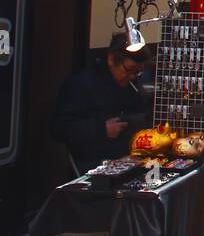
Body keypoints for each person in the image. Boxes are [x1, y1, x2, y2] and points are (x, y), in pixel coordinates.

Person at [52, 33, 153, 174]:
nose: (132, 77)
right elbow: (60, 129)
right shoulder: (81, 84)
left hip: (128, 161)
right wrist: (101, 129)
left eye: (138, 73)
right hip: (93, 164)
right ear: (112, 60)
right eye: (129, 70)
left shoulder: (132, 87)